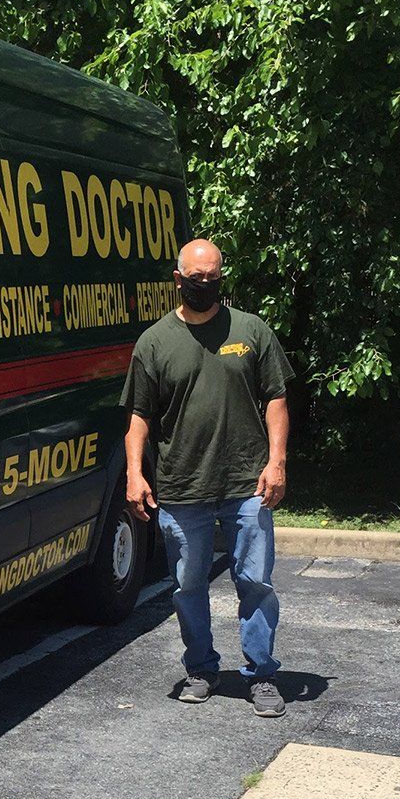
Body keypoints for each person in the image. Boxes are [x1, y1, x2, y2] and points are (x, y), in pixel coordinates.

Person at [123, 238, 294, 717]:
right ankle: (200, 669)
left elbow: (276, 397)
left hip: (247, 483)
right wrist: (134, 473)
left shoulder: (251, 330)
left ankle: (261, 674)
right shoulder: (154, 342)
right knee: (187, 586)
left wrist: (277, 462)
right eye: (197, 278)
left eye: (213, 277)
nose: (206, 284)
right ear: (178, 280)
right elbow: (138, 417)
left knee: (255, 582)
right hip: (183, 487)